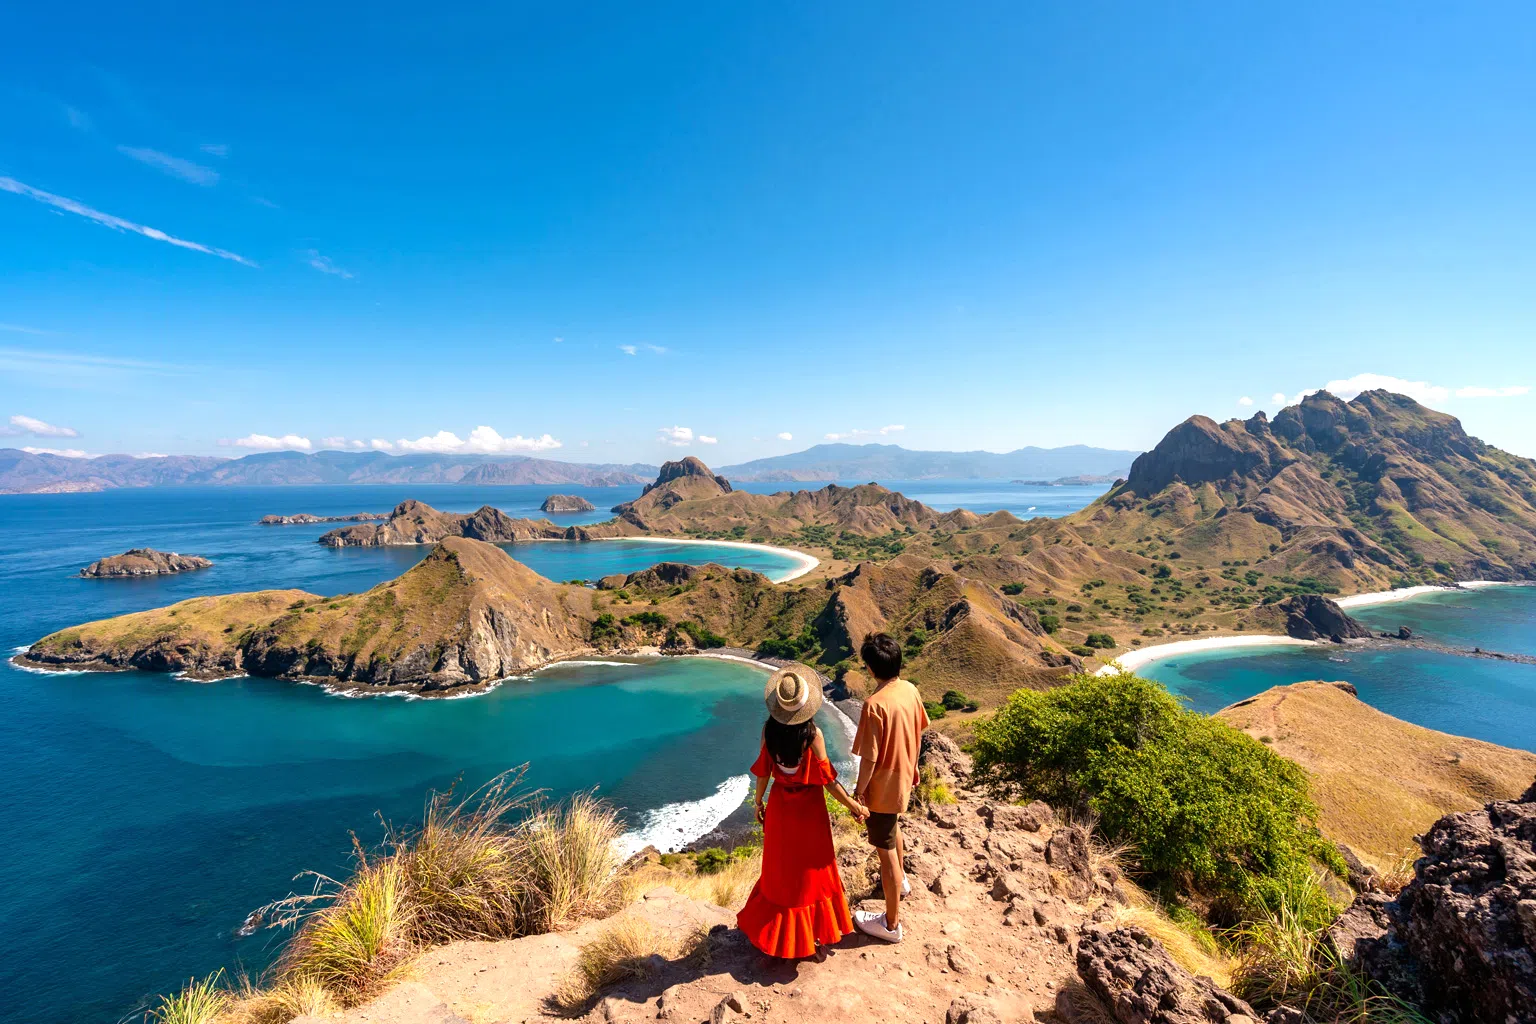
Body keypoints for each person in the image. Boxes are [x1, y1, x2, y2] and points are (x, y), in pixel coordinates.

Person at [737, 664, 869, 959]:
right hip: (810, 812)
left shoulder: (768, 731)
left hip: (781, 808)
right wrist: (855, 806)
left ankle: (777, 936)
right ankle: (812, 935)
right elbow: (829, 781)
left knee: (782, 872)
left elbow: (763, 772)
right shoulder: (813, 735)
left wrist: (759, 803)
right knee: (812, 874)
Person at [850, 631, 929, 943]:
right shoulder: (909, 690)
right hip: (903, 778)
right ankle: (903, 883)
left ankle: (891, 924)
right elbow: (918, 729)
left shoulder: (873, 705)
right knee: (893, 829)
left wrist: (859, 793)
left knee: (886, 856)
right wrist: (914, 765)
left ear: (869, 669)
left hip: (882, 788)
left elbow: (869, 759)